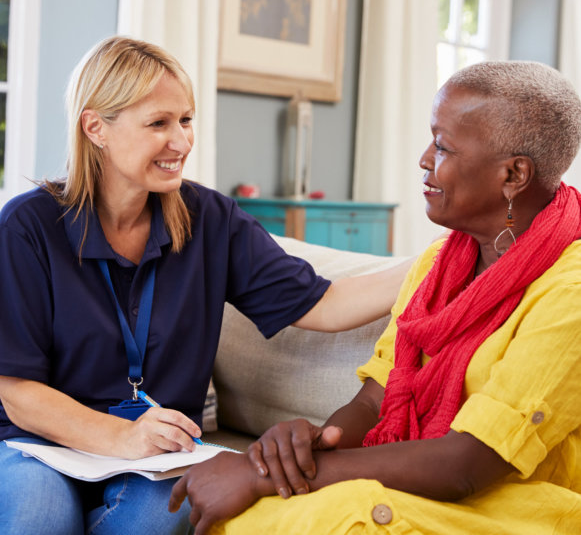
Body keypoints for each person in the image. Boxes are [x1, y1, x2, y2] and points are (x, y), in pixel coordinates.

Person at [0, 36, 410, 535]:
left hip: (158, 456)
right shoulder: (27, 227)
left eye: (186, 120)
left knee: (156, 521)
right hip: (40, 442)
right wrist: (120, 436)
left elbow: (325, 303)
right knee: (39, 517)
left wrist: (440, 258)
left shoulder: (210, 219)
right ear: (95, 128)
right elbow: (18, 392)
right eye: (159, 123)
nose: (182, 142)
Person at [168, 60, 581, 534]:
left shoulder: (571, 293)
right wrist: (310, 446)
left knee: (334, 519)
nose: (425, 159)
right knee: (250, 514)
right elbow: (372, 404)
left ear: (513, 175)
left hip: (521, 506)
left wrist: (257, 474)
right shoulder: (440, 263)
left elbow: (466, 465)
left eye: (443, 146)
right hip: (436, 486)